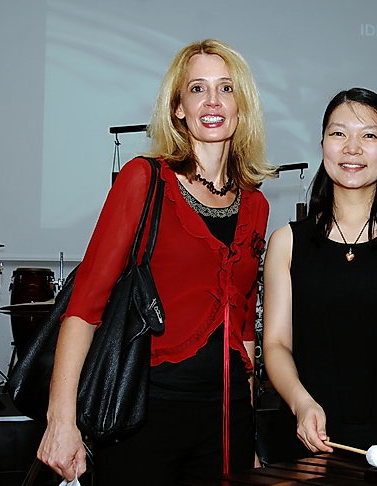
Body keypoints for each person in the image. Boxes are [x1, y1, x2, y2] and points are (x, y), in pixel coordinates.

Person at [37, 39, 274, 484]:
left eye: (226, 88)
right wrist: (61, 421)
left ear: (242, 106)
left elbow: (243, 327)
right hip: (144, 408)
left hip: (227, 418)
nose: (213, 101)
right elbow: (85, 306)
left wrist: (248, 432)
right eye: (198, 88)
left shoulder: (256, 204)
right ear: (178, 107)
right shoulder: (144, 179)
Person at [262, 87, 377, 460]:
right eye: (338, 133)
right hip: (310, 435)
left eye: (369, 136)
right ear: (323, 145)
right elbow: (277, 344)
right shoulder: (286, 242)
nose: (352, 148)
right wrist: (300, 403)